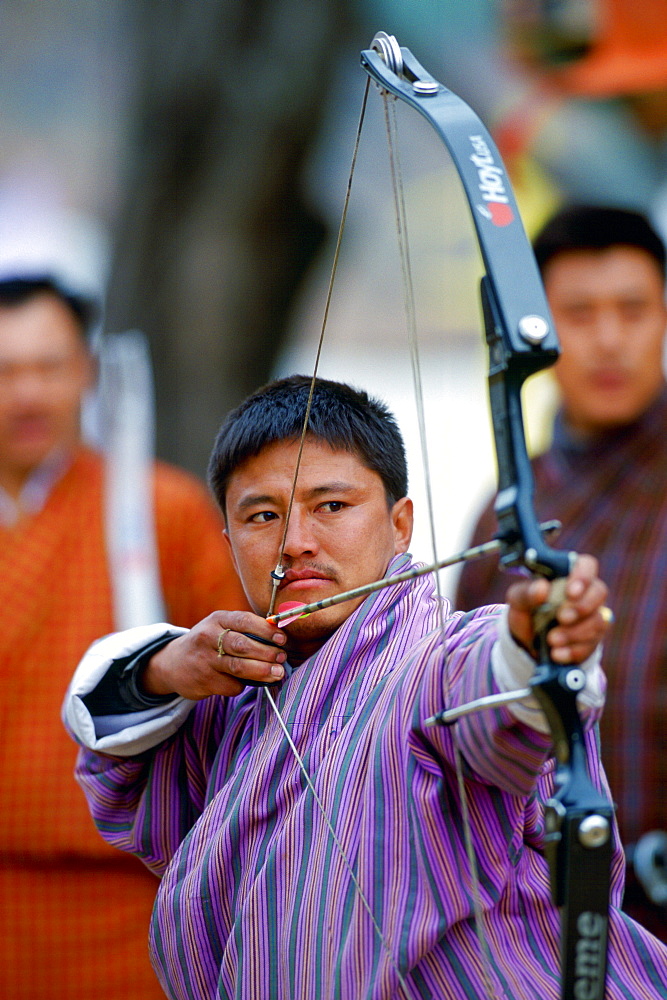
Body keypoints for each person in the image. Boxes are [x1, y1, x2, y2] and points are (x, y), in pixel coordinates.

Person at [63, 373, 667, 999]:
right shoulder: (231, 703)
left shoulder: (434, 660)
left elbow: (491, 690)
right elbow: (117, 771)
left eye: (332, 506)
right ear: (229, 541)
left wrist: (535, 649)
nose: (295, 544)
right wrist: (164, 669)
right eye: (262, 515)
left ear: (400, 525)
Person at [0, 271, 248, 1000]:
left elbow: (243, 681)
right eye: (5, 371)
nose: (28, 394)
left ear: (85, 370)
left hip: (128, 905)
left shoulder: (161, 509)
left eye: (48, 367)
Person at [456, 204, 667, 940]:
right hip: (539, 934)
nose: (608, 339)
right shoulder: (506, 514)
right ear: (530, 332)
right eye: (576, 313)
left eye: (633, 310)